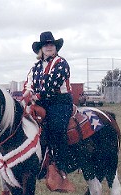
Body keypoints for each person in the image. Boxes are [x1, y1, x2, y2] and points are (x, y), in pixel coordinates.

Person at [22, 31, 73, 181]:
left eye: (51, 44)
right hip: (41, 102)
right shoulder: (35, 67)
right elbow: (29, 84)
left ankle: (62, 164)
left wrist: (35, 96)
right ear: (41, 48)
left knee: (56, 126)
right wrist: (26, 94)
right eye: (46, 45)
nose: (49, 47)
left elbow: (52, 86)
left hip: (60, 101)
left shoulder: (61, 63)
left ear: (55, 47)